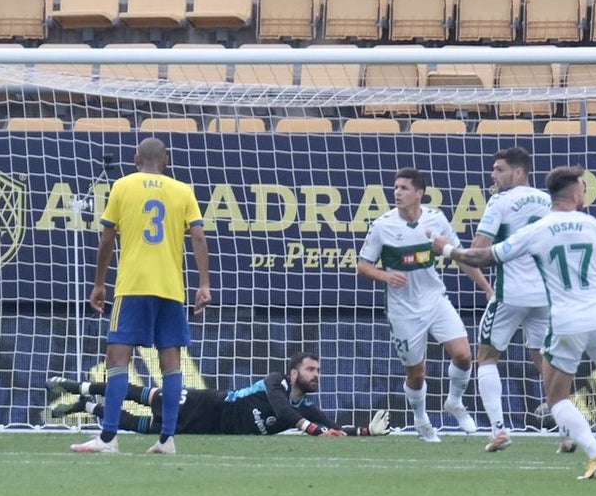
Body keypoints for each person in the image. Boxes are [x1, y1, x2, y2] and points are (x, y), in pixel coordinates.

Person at [432, 165, 596, 481]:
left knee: (556, 399)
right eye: (583, 186)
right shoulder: (594, 225)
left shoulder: (536, 230)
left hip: (565, 322)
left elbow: (481, 257)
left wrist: (445, 248)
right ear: (575, 192)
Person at [70, 137, 212, 455]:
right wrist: (204, 284)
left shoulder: (122, 186)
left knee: (118, 360)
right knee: (171, 364)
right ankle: (167, 439)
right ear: (167, 160)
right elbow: (199, 237)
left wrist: (98, 283)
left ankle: (108, 438)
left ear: (136, 159)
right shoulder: (182, 190)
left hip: (133, 287)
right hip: (171, 289)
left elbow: (107, 240)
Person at [357, 167, 493, 442]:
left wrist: (488, 289)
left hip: (435, 300)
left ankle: (454, 402)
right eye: (395, 187)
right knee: (416, 373)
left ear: (419, 193)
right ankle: (421, 420)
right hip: (403, 310)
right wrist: (385, 275)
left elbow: (461, 256)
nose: (397, 192)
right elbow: (362, 266)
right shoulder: (383, 225)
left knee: (465, 356)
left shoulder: (436, 219)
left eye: (404, 188)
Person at [48, 352, 391, 438]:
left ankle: (89, 406)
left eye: (318, 371)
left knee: (143, 426)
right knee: (146, 395)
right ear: (294, 372)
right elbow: (284, 414)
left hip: (212, 429)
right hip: (209, 403)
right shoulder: (276, 384)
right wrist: (313, 430)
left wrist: (364, 432)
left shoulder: (307, 407)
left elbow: (332, 425)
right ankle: (77, 386)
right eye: (311, 370)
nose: (316, 376)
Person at [469, 147, 551, 453]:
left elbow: (479, 249)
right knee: (546, 361)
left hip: (510, 294)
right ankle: (568, 429)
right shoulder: (548, 200)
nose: (493, 175)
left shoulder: (500, 201)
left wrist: (457, 253)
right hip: (545, 296)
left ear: (519, 172)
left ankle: (498, 430)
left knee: (487, 357)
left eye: (499, 169)